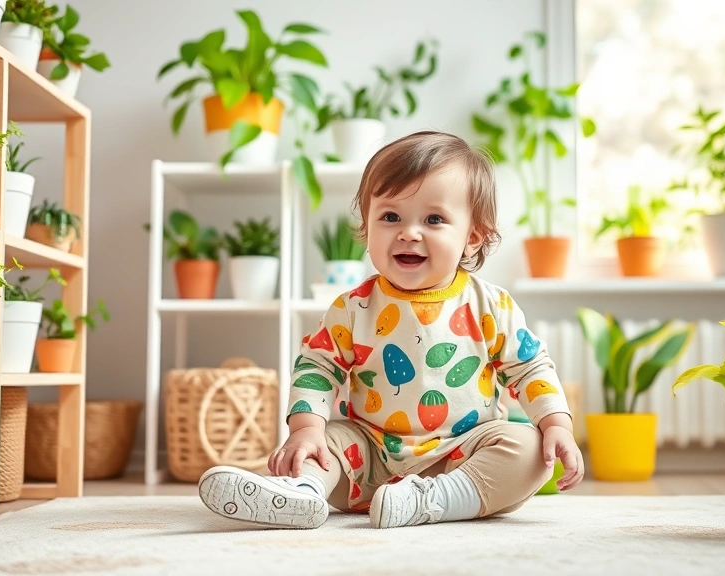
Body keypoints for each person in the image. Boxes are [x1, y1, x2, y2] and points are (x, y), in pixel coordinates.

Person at [198, 130, 584, 530]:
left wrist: (556, 425)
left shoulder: (491, 305)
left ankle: (436, 501)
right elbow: (318, 366)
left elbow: (530, 368)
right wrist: (307, 430)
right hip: (369, 455)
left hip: (462, 457)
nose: (409, 232)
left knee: (531, 449)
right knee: (326, 442)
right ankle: (304, 493)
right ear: (367, 225)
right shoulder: (352, 308)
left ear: (472, 237)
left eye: (434, 219)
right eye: (390, 216)